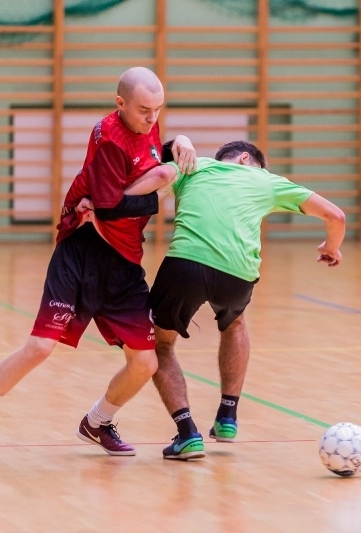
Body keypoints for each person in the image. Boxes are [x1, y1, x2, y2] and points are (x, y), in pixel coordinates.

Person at [0, 66, 197, 465]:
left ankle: (98, 421)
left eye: (158, 109)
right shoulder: (108, 137)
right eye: (144, 110)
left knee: (146, 362)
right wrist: (163, 189)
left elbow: (148, 156)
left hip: (124, 261)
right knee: (41, 346)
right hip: (83, 249)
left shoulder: (147, 122)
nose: (152, 118)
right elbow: (111, 209)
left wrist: (176, 144)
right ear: (121, 104)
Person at [88, 140, 346, 460]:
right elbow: (336, 215)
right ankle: (227, 417)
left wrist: (109, 203)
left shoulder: (193, 165)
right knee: (234, 321)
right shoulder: (267, 181)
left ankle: (187, 433)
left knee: (160, 345)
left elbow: (155, 179)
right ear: (245, 159)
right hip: (237, 273)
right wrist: (331, 248)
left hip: (186, 263)